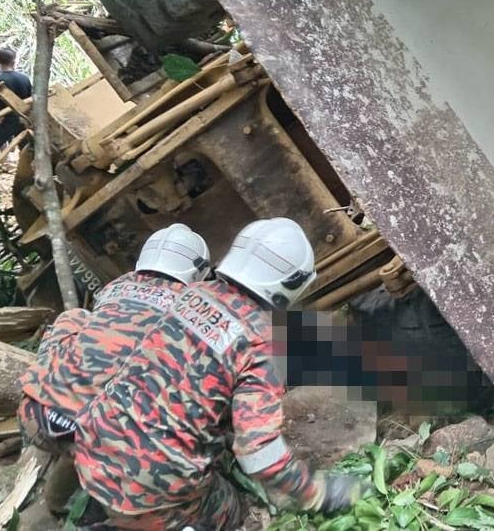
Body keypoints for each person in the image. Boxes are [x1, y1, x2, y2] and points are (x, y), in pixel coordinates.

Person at [72, 218, 366, 530]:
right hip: (151, 483)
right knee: (232, 510)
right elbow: (259, 452)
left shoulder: (190, 294)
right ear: (292, 284)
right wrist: (318, 493)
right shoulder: (262, 343)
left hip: (91, 446)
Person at [17, 224, 211, 512]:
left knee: (75, 318)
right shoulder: (194, 308)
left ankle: (56, 503)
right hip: (114, 444)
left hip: (36, 418)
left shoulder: (114, 288)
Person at [0, 47, 32, 188]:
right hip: (23, 120)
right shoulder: (24, 78)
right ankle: (29, 181)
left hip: (6, 120)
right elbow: (31, 100)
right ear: (14, 61)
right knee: (26, 150)